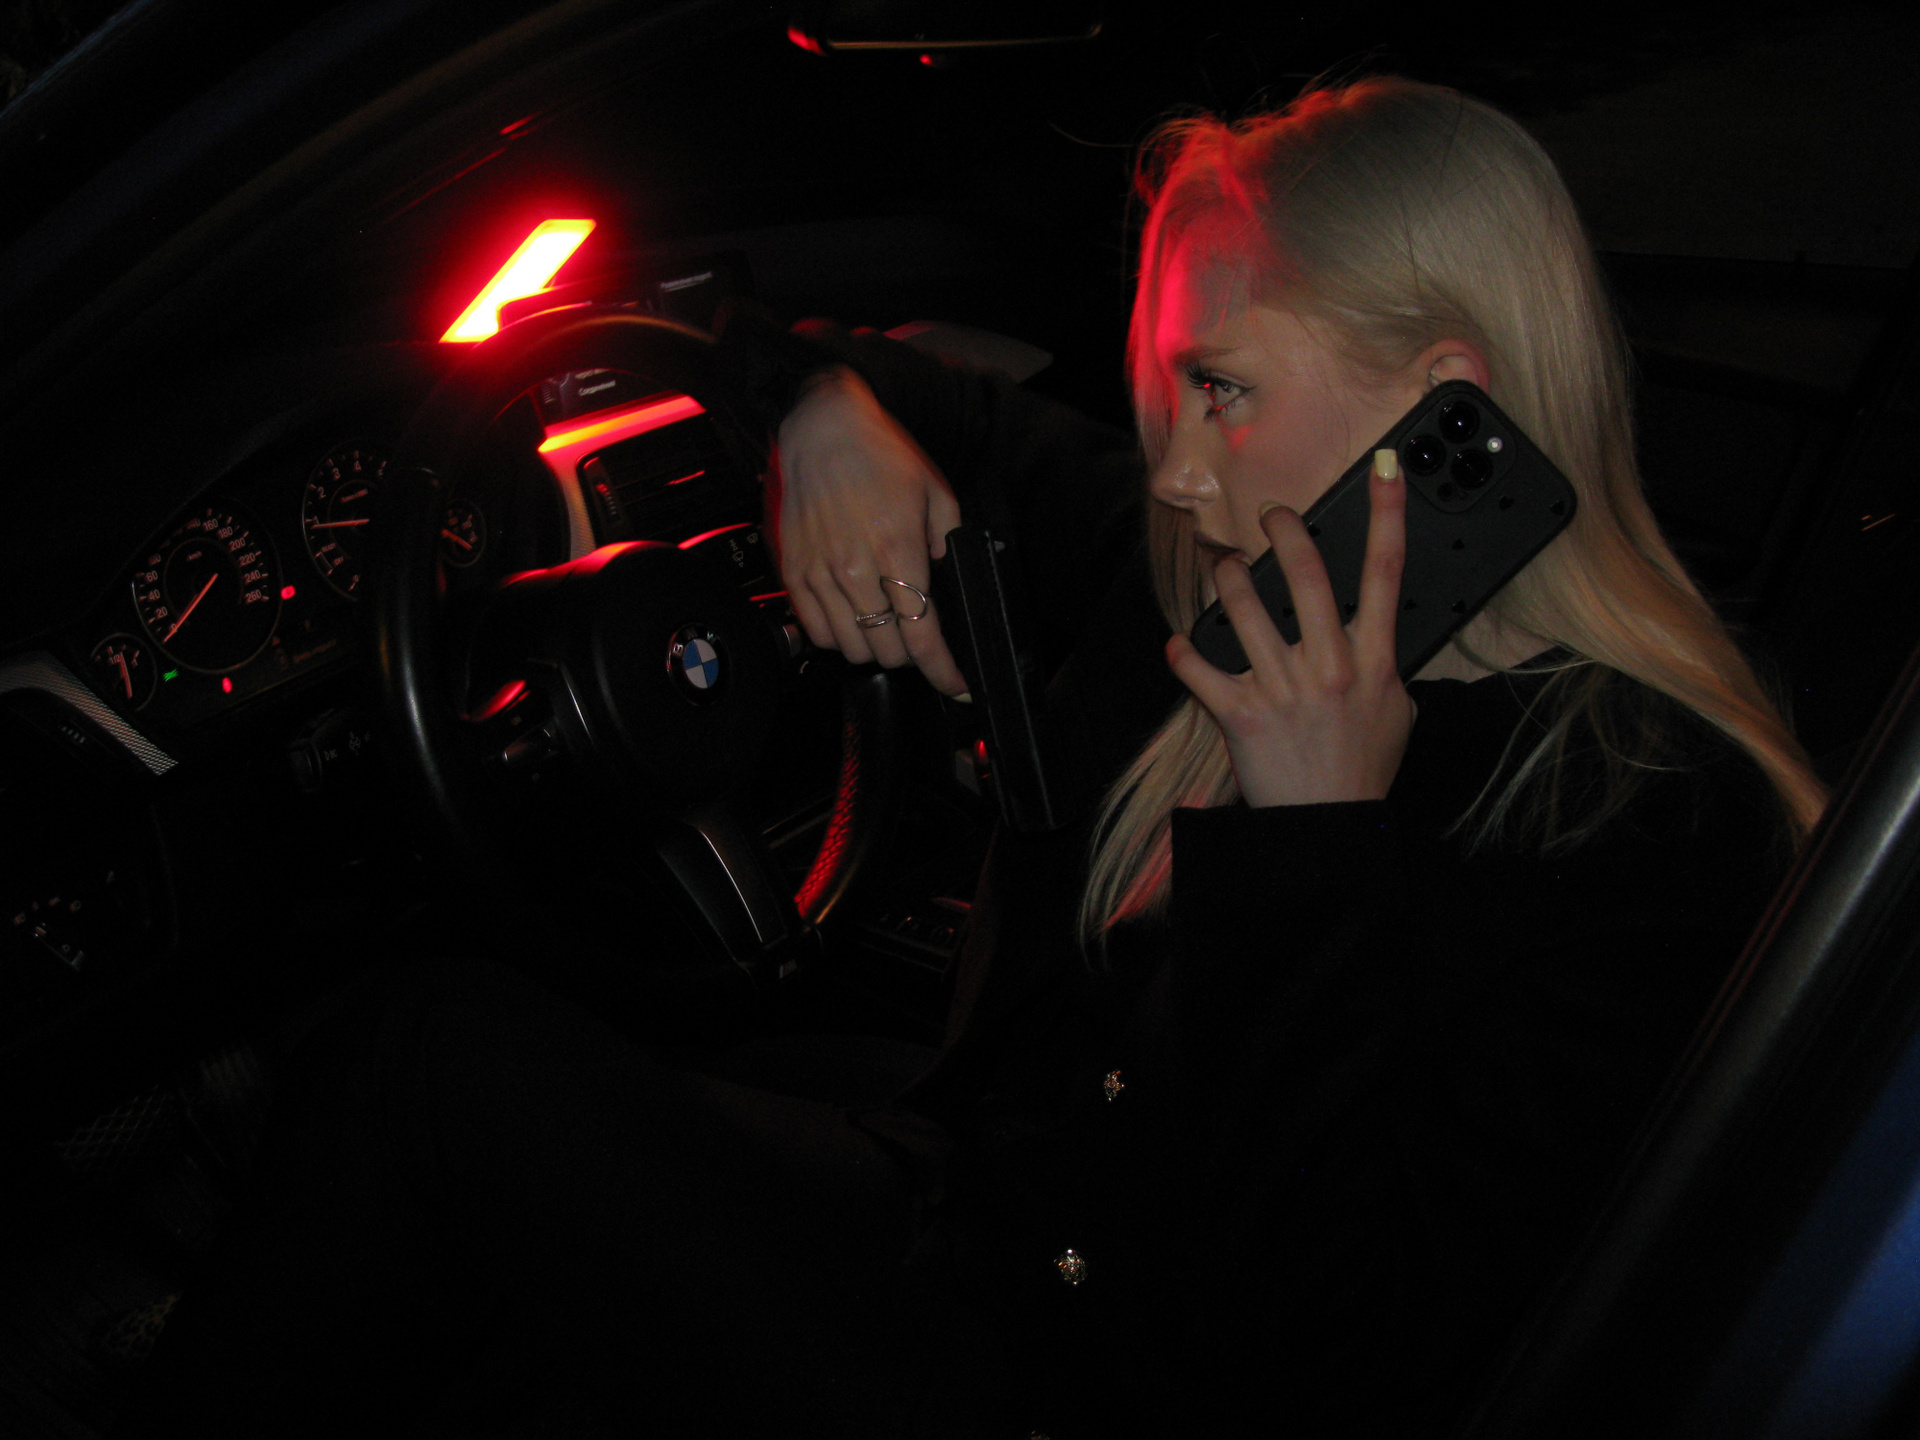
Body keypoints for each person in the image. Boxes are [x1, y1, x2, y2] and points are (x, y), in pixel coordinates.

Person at [119, 77, 1824, 1438]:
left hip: (1078, 1389)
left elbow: (1339, 1360)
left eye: (1221, 389)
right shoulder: (1205, 577)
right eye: (1168, 398)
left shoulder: (1658, 822)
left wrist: (1311, 842)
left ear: (1441, 403)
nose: (1177, 471)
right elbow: (848, 365)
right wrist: (820, 415)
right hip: (966, 1232)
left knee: (435, 1067)